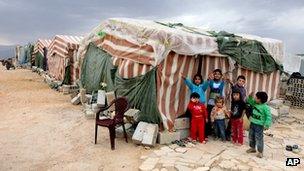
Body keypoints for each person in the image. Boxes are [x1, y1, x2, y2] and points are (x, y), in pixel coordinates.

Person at [246, 91, 272, 158]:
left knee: (259, 138)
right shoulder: (255, 104)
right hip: (252, 123)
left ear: (259, 99)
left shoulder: (265, 107)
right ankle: (252, 148)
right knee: (251, 136)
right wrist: (250, 96)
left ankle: (260, 152)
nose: (254, 98)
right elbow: (250, 101)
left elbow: (268, 116)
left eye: (255, 97)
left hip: (259, 126)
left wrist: (267, 124)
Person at [226, 75, 247, 141]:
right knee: (231, 120)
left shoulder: (244, 90)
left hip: (240, 107)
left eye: (242, 81)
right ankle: (228, 134)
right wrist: (229, 80)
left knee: (239, 120)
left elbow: (244, 98)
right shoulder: (235, 87)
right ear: (237, 81)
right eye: (239, 80)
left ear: (244, 83)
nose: (241, 82)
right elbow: (232, 84)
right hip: (234, 106)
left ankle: (237, 133)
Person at [206, 69, 225, 137]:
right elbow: (208, 87)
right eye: (215, 74)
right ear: (213, 75)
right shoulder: (211, 82)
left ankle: (217, 133)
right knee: (209, 116)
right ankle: (208, 132)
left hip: (218, 103)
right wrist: (209, 79)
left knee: (217, 117)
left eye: (218, 74)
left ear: (221, 75)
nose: (217, 75)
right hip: (210, 102)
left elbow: (221, 91)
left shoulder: (222, 83)